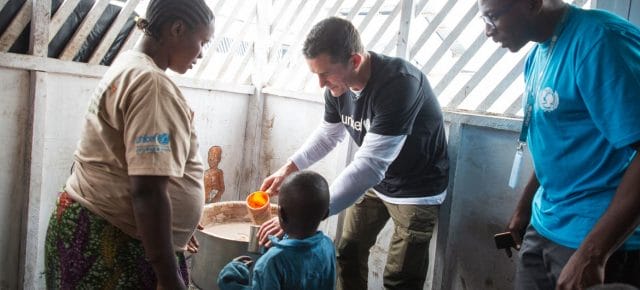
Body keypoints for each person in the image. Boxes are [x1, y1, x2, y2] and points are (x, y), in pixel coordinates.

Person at [258, 17, 449, 290]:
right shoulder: (338, 88)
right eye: (316, 74)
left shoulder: (399, 83)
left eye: (325, 73)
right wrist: (289, 167)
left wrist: (304, 217)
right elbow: (328, 135)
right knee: (347, 251)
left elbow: (370, 165)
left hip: (417, 188)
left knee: (400, 277)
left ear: (355, 61)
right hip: (377, 183)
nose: (320, 83)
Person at [44, 1, 214, 289]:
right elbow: (147, 192)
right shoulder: (152, 85)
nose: (201, 53)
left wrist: (174, 230)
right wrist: (169, 276)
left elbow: (119, 159)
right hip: (113, 242)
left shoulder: (128, 63)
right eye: (202, 42)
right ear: (177, 29)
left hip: (91, 224)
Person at [477, 0, 640, 289]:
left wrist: (594, 254)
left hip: (594, 239)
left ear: (531, 3)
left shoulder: (601, 41)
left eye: (492, 17)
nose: (488, 31)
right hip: (545, 226)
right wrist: (524, 208)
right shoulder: (538, 54)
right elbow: (558, 145)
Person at [217, 170, 336, 290]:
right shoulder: (328, 245)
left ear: (281, 214)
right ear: (326, 214)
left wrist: (230, 280)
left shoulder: (271, 262)